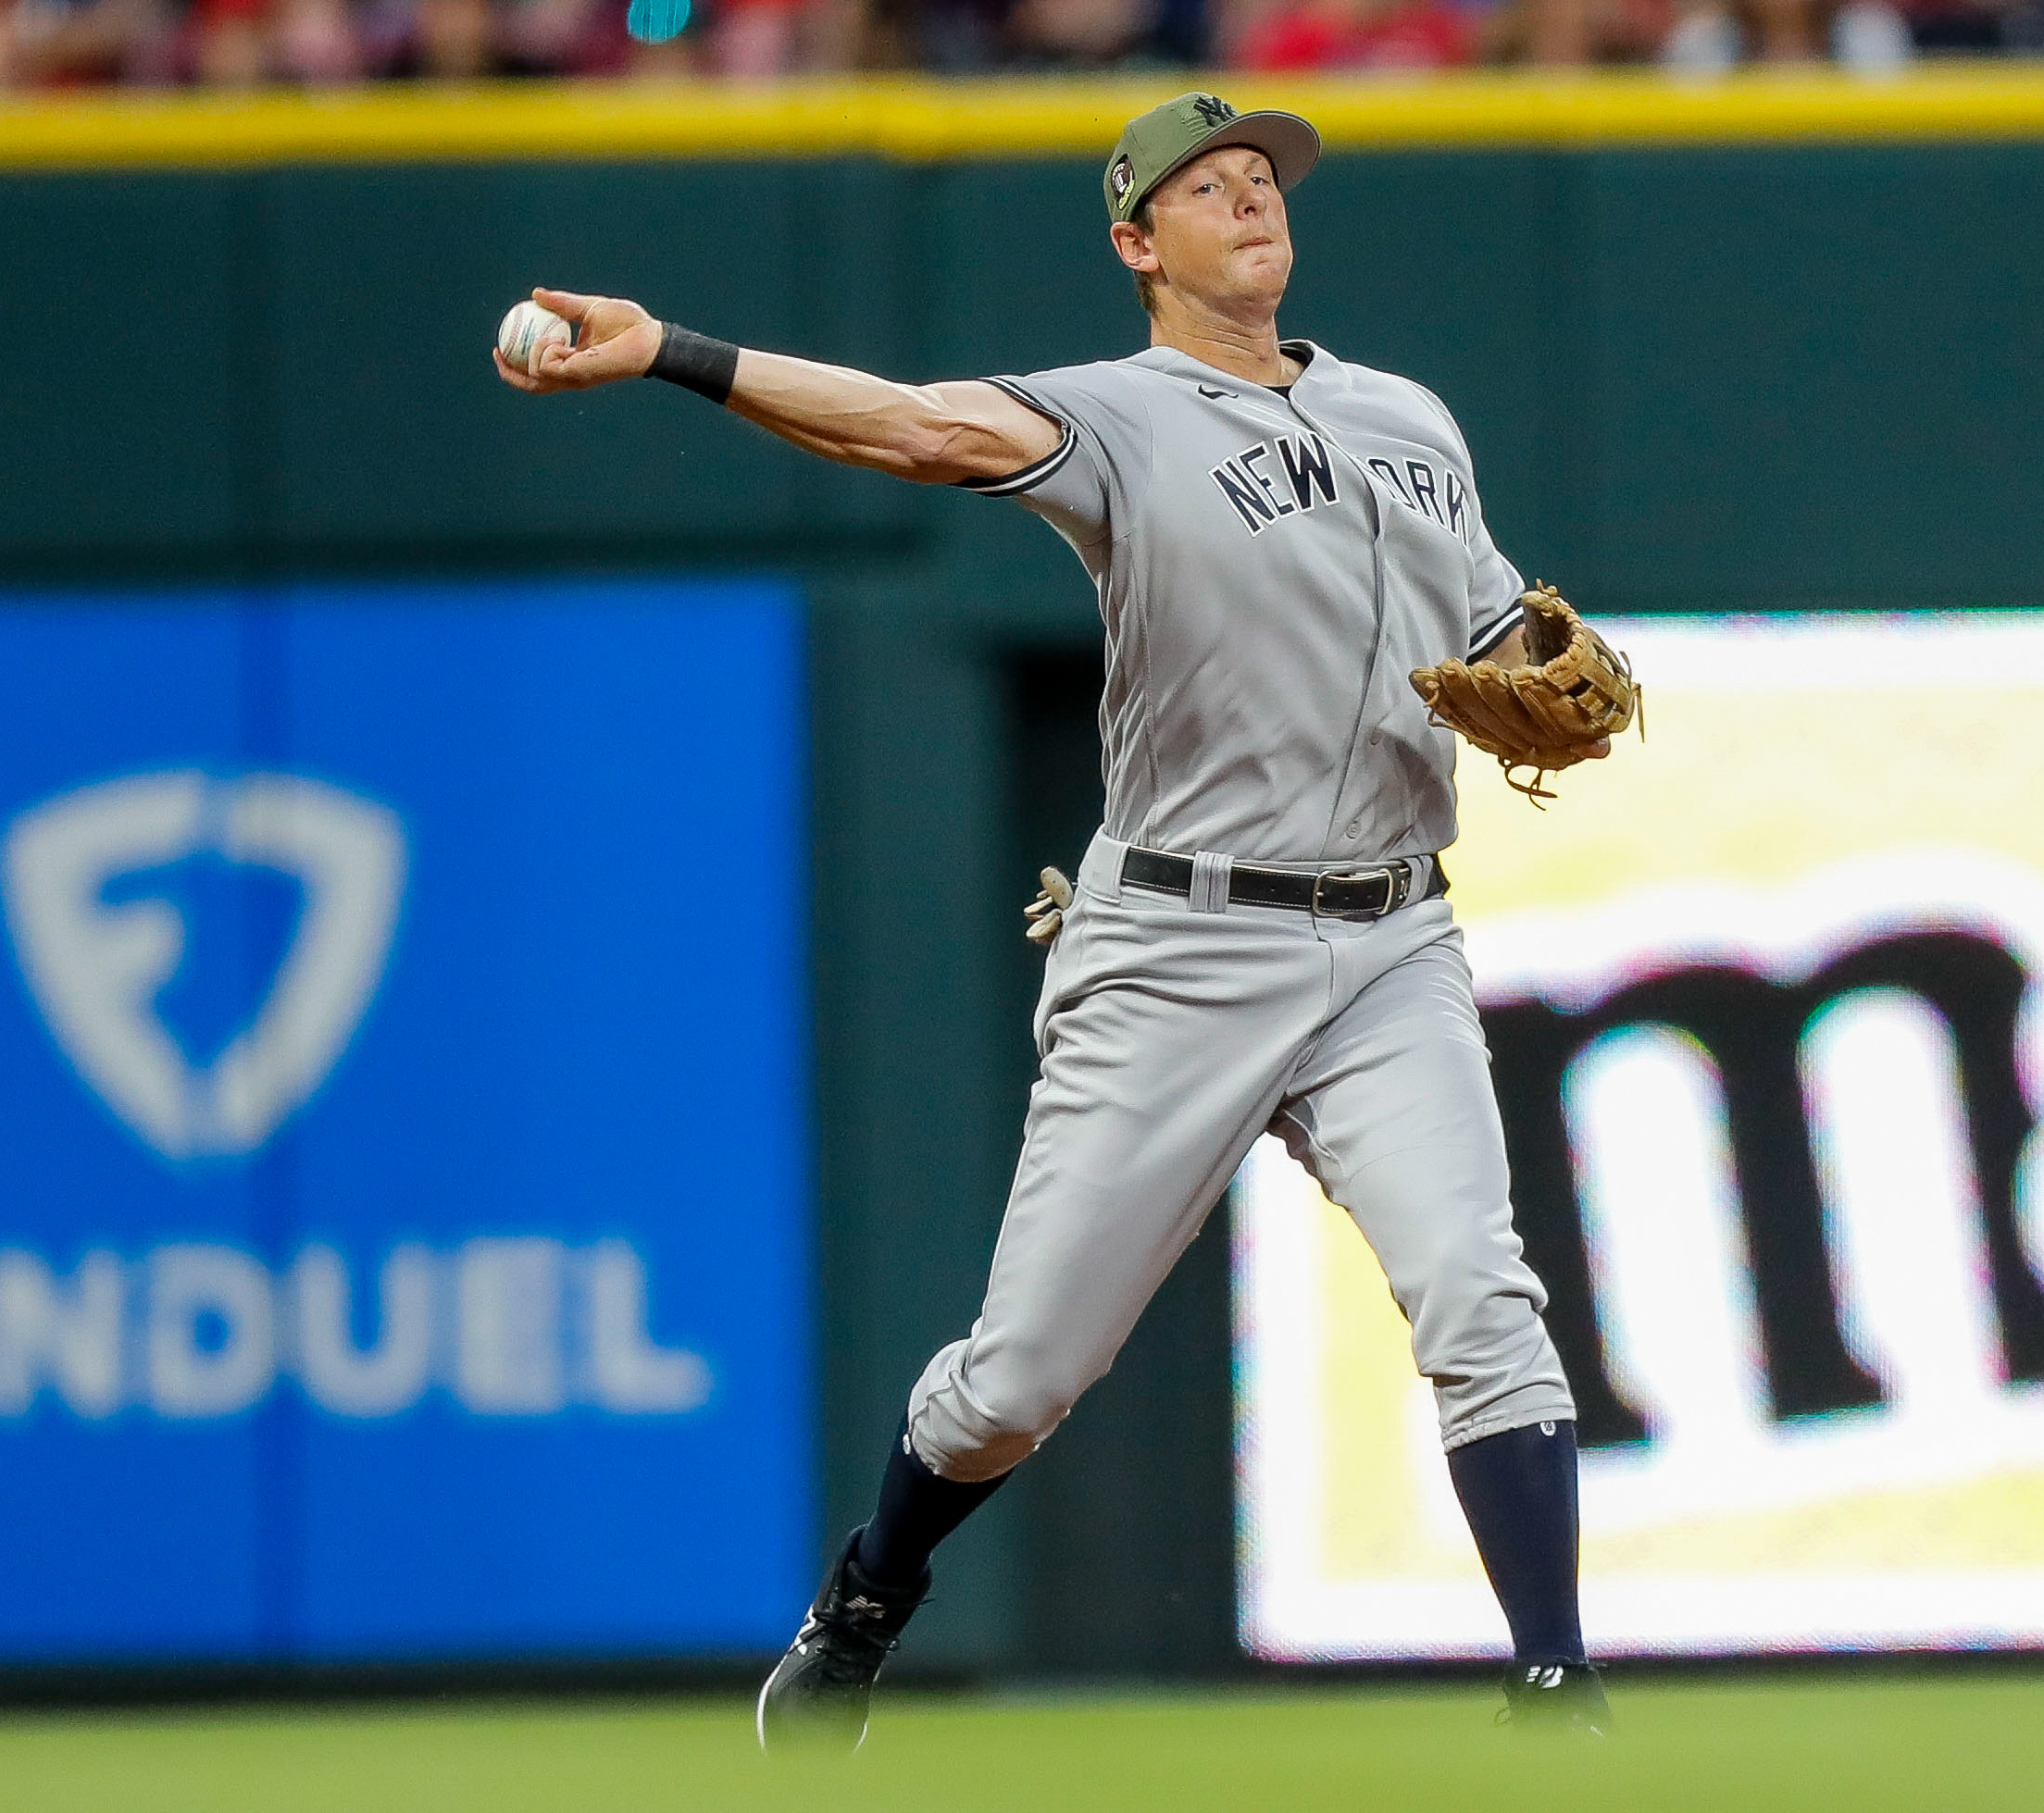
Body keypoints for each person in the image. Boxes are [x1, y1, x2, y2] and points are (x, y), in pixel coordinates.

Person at [494, 89, 1614, 1750]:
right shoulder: (1115, 417)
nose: (1249, 197)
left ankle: (1556, 1691)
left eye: (1263, 177)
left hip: (1390, 937)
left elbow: (1498, 625)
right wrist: (677, 349)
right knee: (1017, 1382)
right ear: (1134, 244)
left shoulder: (1405, 419)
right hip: (1177, 947)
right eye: (1207, 185)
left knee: (1479, 1294)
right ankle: (867, 1598)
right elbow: (910, 427)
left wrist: (1534, 674)